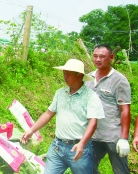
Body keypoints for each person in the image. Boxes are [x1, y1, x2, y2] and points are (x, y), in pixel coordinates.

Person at [20, 59, 104, 174]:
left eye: (68, 74)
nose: (65, 77)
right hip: (58, 146)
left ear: (79, 75)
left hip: (78, 148)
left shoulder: (91, 97)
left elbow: (93, 123)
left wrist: (82, 144)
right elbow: (48, 114)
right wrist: (32, 130)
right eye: (64, 73)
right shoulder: (60, 93)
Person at [85, 44, 131, 174]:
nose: (98, 59)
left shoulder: (119, 80)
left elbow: (125, 110)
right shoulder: (88, 77)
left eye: (102, 56)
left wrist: (123, 138)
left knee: (121, 171)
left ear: (111, 57)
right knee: (86, 168)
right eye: (95, 56)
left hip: (113, 136)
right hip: (93, 135)